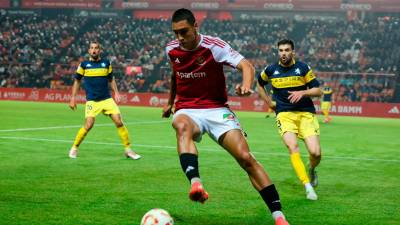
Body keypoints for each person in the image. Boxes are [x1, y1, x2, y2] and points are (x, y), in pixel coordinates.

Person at [162, 8, 289, 225]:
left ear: (195, 27)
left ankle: (279, 217)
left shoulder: (214, 46)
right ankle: (196, 183)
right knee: (181, 126)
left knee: (246, 158)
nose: (180, 38)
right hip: (188, 109)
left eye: (184, 32)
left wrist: (246, 85)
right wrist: (169, 103)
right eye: (176, 33)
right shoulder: (171, 49)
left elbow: (246, 65)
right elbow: (175, 75)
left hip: (216, 109)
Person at [256, 39, 322, 201]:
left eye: (286, 50)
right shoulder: (271, 70)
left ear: (293, 52)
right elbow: (259, 84)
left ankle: (312, 169)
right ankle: (307, 186)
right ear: (278, 52)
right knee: (293, 147)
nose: (283, 53)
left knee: (315, 153)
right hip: (284, 114)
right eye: (281, 50)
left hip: (306, 114)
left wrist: (303, 93)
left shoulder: (303, 68)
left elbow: (318, 90)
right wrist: (269, 103)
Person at [68, 41, 141, 160]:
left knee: (119, 122)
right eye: (91, 48)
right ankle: (74, 148)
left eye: (96, 48)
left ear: (99, 50)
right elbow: (77, 81)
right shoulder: (84, 65)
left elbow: (111, 79)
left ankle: (128, 150)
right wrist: (72, 98)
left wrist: (116, 92)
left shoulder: (106, 63)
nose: (94, 50)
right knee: (88, 124)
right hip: (92, 100)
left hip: (107, 99)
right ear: (89, 51)